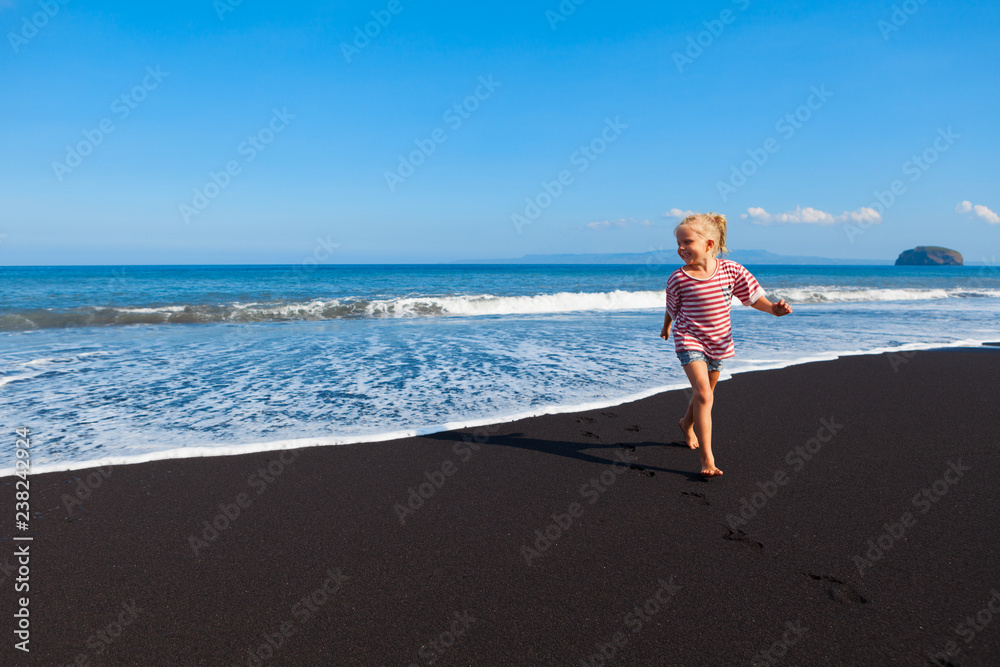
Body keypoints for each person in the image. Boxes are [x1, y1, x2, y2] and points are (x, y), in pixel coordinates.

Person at [660, 212, 792, 477]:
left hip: (719, 340)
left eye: (687, 242)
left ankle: (686, 424)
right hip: (689, 338)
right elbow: (672, 308)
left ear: (709, 244)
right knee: (704, 395)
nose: (681, 248)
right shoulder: (678, 278)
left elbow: (753, 298)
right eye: (679, 243)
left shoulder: (732, 270)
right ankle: (707, 459)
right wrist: (667, 326)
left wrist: (774, 310)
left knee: (705, 394)